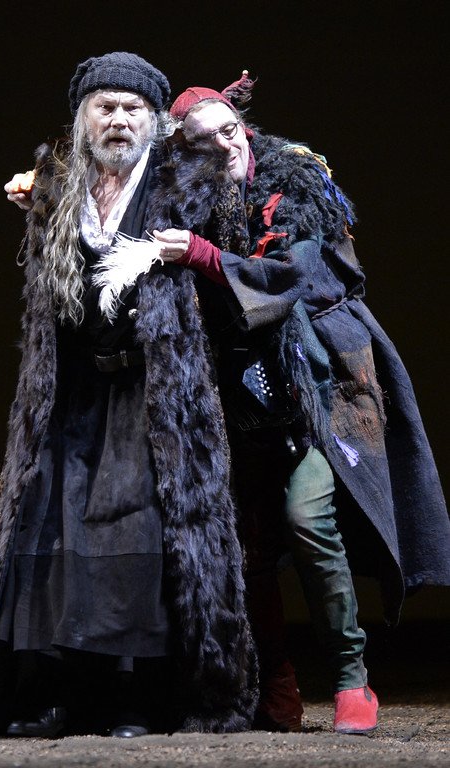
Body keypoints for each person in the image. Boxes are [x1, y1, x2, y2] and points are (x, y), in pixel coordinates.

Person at [0, 52, 260, 739]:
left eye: (132, 109)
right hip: (72, 391)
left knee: (137, 542)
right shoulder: (58, 188)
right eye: (104, 107)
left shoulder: (184, 183)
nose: (118, 120)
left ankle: (134, 700)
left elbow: (236, 252)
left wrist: (215, 214)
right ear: (82, 118)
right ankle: (62, 694)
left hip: (152, 392)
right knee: (55, 535)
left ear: (154, 121)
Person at [149, 74, 450, 735]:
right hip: (233, 388)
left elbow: (289, 277)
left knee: (309, 520)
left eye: (230, 131)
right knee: (248, 544)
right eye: (205, 141)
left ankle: (351, 680)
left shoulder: (296, 184)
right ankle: (274, 686)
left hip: (316, 380)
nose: (226, 146)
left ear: (243, 126)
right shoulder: (184, 195)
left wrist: (201, 255)